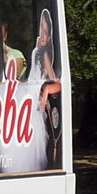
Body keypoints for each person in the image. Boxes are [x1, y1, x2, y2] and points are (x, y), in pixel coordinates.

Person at [28, 9, 62, 168]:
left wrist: (46, 91)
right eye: (41, 30)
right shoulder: (36, 51)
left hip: (36, 102)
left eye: (46, 32)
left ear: (49, 38)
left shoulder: (45, 55)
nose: (42, 35)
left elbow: (56, 82)